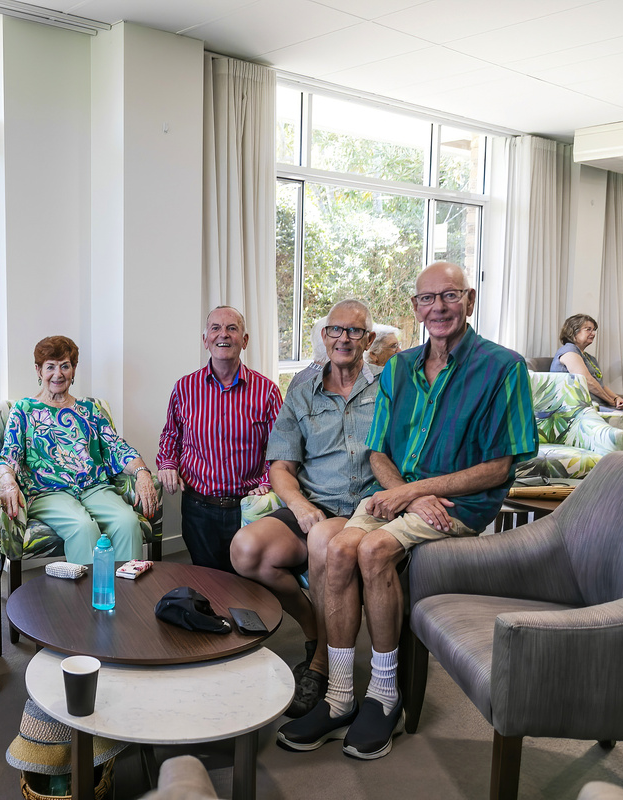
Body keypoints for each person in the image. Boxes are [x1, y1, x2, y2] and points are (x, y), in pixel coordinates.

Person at [276, 262, 537, 761]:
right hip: (399, 493)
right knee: (335, 550)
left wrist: (419, 493)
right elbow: (378, 453)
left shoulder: (504, 366)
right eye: (427, 299)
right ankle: (338, 698)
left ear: (471, 300)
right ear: (416, 307)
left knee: (373, 549)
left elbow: (500, 466)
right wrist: (406, 493)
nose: (437, 308)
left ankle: (383, 694)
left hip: (458, 504)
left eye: (450, 296)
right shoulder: (399, 367)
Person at [230, 299, 381, 719]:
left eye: (353, 331)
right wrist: (298, 505)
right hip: (313, 504)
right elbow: (281, 466)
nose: (343, 339)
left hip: (367, 509)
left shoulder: (390, 387)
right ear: (324, 336)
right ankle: (315, 632)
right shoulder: (302, 388)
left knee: (323, 540)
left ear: (368, 339)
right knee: (247, 549)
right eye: (335, 330)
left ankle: (321, 666)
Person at [0, 335, 159, 564]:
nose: (58, 374)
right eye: (50, 366)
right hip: (48, 492)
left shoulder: (89, 409)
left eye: (65, 366)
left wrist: (142, 472)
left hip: (93, 487)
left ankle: (126, 596)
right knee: (82, 527)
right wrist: (8, 482)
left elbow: (116, 446)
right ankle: (86, 598)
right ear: (39, 371)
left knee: (127, 522)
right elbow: (9, 454)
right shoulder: (24, 410)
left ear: (74, 370)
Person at [157, 307, 282, 572]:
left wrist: (267, 482)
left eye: (232, 328)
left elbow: (279, 448)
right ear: (205, 340)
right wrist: (167, 464)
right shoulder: (184, 388)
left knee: (248, 584)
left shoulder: (267, 391)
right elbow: (171, 435)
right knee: (207, 581)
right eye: (215, 328)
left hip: (247, 509)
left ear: (244, 340)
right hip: (198, 509)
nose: (222, 335)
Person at [551, 314, 623, 446]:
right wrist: (609, 400)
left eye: (594, 330)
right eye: (588, 329)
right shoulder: (569, 352)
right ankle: (614, 459)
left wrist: (616, 398)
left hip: (594, 403)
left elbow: (600, 385)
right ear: (573, 331)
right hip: (577, 405)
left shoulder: (589, 358)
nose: (593, 333)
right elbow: (587, 381)